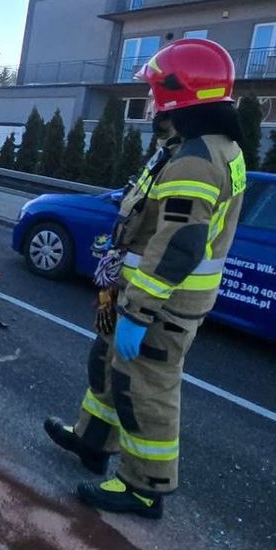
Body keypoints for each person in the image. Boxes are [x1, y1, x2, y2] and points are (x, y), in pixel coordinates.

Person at [44, 39, 247, 517]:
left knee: (145, 389)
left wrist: (138, 312)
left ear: (180, 94)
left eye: (156, 90)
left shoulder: (196, 158)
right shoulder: (194, 145)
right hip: (138, 292)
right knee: (108, 367)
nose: (151, 99)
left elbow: (179, 245)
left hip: (161, 303)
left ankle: (143, 487)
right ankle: (92, 441)